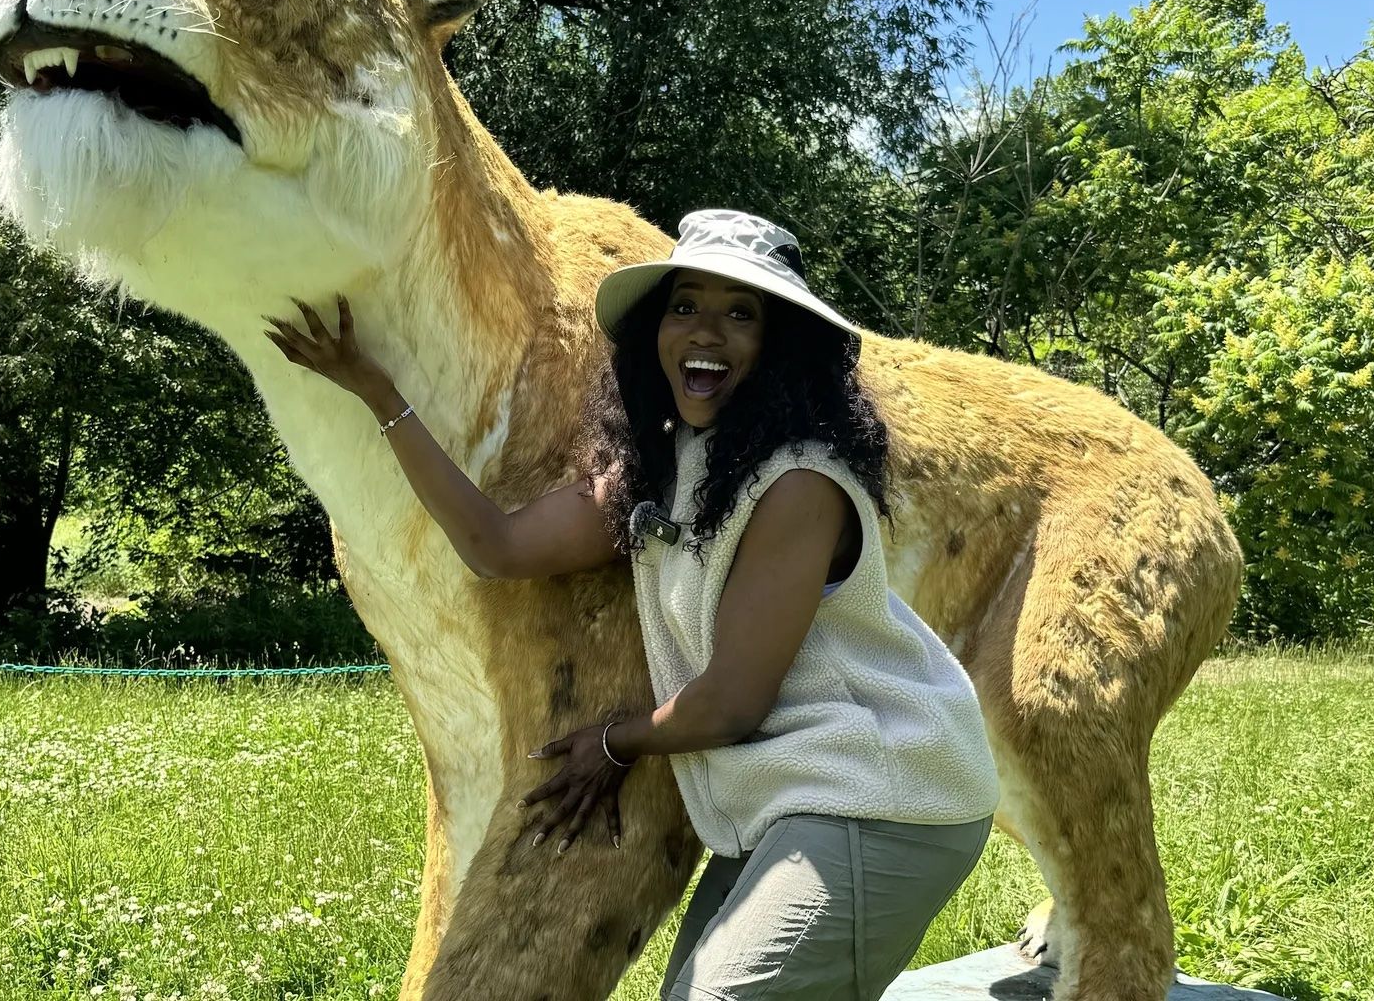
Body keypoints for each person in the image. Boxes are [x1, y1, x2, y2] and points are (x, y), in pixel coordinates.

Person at [264, 209, 1000, 1001]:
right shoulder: (664, 466)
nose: (704, 332)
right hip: (785, 800)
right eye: (685, 305)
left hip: (887, 792)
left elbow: (729, 704)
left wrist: (613, 744)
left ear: (781, 346)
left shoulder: (799, 485)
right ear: (655, 326)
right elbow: (497, 546)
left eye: (740, 313)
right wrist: (378, 392)